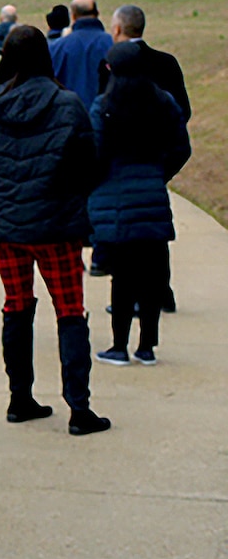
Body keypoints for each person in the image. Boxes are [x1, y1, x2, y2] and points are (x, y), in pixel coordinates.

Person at [0, 25, 110, 435]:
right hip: (55, 226)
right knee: (70, 312)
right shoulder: (67, 104)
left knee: (16, 306)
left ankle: (19, 398)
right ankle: (79, 408)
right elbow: (89, 165)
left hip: (8, 226)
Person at [89, 41, 191, 368]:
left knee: (122, 276)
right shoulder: (164, 104)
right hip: (152, 192)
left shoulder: (104, 106)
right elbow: (181, 148)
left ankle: (119, 345)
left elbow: (96, 152)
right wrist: (160, 173)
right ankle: (147, 346)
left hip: (117, 195)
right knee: (151, 273)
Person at [100, 4, 189, 122]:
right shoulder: (166, 62)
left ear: (117, 30)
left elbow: (102, 109)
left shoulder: (111, 64)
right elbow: (183, 109)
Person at [50, 0, 112, 108]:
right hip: (106, 116)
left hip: (69, 116)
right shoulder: (112, 44)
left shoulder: (57, 47)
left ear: (73, 16)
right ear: (97, 13)